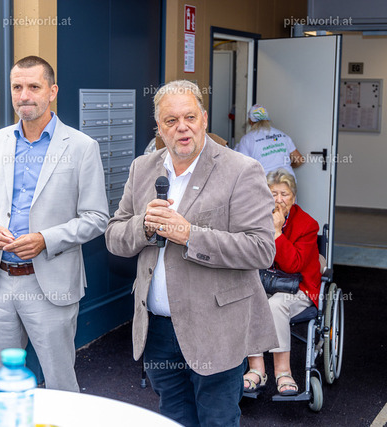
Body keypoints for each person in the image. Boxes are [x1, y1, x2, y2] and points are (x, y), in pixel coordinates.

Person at [105, 80, 278, 427]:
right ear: (159, 128)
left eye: (189, 117)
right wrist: (144, 226)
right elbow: (114, 236)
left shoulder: (242, 169)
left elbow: (261, 249)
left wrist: (189, 235)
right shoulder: (142, 168)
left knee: (217, 420)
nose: (182, 127)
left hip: (216, 330)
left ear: (204, 118)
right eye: (171, 121)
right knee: (173, 419)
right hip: (158, 330)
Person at [0, 55, 109, 392]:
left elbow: (97, 218)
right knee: (4, 384)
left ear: (52, 91)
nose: (24, 95)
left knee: (60, 385)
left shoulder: (82, 147)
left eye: (34, 86)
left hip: (50, 285)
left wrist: (45, 239)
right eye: (17, 87)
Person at [243, 168, 322, 396]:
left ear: (293, 198)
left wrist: (277, 232)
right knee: (248, 298)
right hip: (266, 283)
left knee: (276, 304)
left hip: (300, 287)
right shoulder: (257, 219)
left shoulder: (307, 225)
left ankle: (283, 372)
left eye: (284, 194)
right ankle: (256, 370)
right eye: (273, 194)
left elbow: (293, 266)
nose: (278, 199)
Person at [234, 104, 304, 176]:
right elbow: (299, 160)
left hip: (265, 181)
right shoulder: (282, 135)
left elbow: (241, 166)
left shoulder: (247, 139)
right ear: (267, 119)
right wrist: (286, 165)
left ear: (250, 121)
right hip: (287, 180)